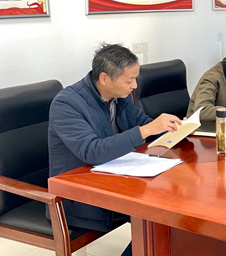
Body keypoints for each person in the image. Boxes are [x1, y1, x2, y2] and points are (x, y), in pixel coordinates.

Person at [48, 44, 182, 256]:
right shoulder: (67, 104)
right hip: (79, 197)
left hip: (116, 181)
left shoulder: (119, 98)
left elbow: (142, 123)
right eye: (129, 81)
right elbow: (92, 151)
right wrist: (146, 130)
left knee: (172, 210)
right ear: (104, 78)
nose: (135, 86)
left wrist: (173, 129)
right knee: (161, 215)